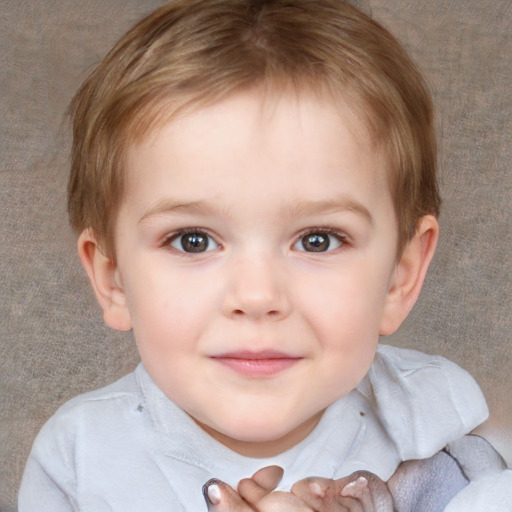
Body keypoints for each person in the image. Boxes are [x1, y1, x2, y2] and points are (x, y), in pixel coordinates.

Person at [18, 1, 511, 510]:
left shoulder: (439, 428)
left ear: (398, 278)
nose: (257, 297)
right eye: (193, 240)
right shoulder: (81, 461)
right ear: (113, 277)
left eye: (318, 239)